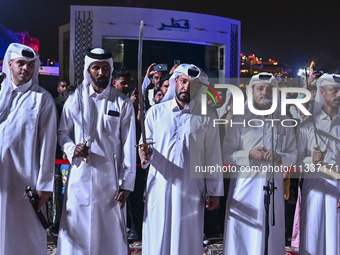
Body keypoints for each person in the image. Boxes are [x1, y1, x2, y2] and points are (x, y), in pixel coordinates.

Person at [57, 48, 136, 254]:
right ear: (88, 70)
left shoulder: (122, 103)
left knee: (109, 235)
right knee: (77, 233)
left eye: (105, 68)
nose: (101, 72)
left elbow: (128, 144)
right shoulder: (74, 100)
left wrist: (127, 183)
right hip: (79, 179)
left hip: (110, 182)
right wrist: (72, 148)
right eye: (96, 68)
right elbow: (63, 132)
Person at [140, 64, 224, 255]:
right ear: (175, 81)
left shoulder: (208, 116)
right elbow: (144, 148)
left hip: (191, 190)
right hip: (159, 187)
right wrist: (144, 155)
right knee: (157, 236)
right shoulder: (155, 113)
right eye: (183, 81)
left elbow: (213, 157)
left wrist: (215, 191)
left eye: (193, 84)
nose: (186, 87)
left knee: (186, 238)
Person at [222, 72, 297, 255]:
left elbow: (294, 154)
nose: (265, 92)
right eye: (260, 88)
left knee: (271, 236)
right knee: (243, 237)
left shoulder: (283, 120)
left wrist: (279, 158)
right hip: (244, 189)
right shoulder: (239, 119)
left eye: (269, 89)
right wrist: (249, 154)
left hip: (274, 189)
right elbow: (226, 154)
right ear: (252, 91)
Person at [0, 43, 57, 255]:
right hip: (1, 181)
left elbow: (48, 143)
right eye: (20, 63)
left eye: (30, 65)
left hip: (26, 182)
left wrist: (44, 185)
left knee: (26, 234)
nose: (25, 68)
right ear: (10, 65)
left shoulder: (43, 99)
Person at [297, 73, 340, 255]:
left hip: (338, 190)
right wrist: (310, 160)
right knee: (312, 239)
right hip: (314, 188)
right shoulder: (306, 128)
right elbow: (295, 161)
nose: (339, 95)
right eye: (335, 90)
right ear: (322, 92)